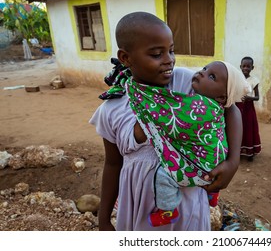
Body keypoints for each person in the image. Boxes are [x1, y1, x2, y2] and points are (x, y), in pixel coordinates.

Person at [89, 12, 242, 231]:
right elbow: (113, 163)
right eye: (156, 54)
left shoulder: (184, 82)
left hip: (187, 202)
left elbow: (230, 108)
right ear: (125, 58)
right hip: (139, 206)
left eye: (171, 50)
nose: (168, 60)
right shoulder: (112, 108)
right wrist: (103, 219)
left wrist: (233, 161)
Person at [126, 60, 250, 226]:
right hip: (218, 160)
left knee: (163, 176)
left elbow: (167, 113)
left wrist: (139, 96)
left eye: (211, 76)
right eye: (205, 68)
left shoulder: (198, 105)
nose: (201, 73)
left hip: (203, 165)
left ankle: (168, 210)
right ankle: (213, 194)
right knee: (209, 175)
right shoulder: (216, 106)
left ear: (222, 96)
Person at [235, 56, 262, 162]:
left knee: (249, 128)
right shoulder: (237, 79)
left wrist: (248, 98)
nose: (246, 68)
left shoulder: (254, 81)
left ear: (252, 68)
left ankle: (250, 152)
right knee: (237, 128)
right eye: (244, 66)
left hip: (248, 108)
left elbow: (257, 97)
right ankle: (238, 152)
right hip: (238, 106)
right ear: (240, 66)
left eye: (248, 66)